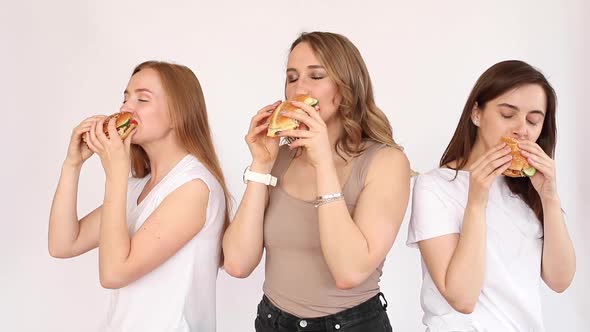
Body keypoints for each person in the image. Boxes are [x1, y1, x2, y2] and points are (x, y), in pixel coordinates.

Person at [222, 31, 411, 332]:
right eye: (292, 77)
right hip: (272, 321)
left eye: (316, 76)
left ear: (347, 86)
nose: (300, 88)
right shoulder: (280, 157)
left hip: (349, 325)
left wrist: (323, 163)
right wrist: (260, 164)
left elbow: (349, 272)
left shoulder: (386, 162)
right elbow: (237, 263)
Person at [48, 61, 230, 332]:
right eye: (125, 98)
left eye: (142, 99)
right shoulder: (138, 186)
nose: (125, 108)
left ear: (178, 114)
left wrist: (116, 174)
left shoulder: (194, 187)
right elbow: (63, 244)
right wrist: (71, 165)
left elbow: (113, 273)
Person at [407, 60, 576, 331]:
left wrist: (550, 198)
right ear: (476, 113)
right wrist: (476, 200)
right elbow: (462, 297)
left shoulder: (528, 190)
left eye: (533, 120)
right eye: (508, 115)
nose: (521, 129)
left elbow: (560, 280)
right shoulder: (435, 187)